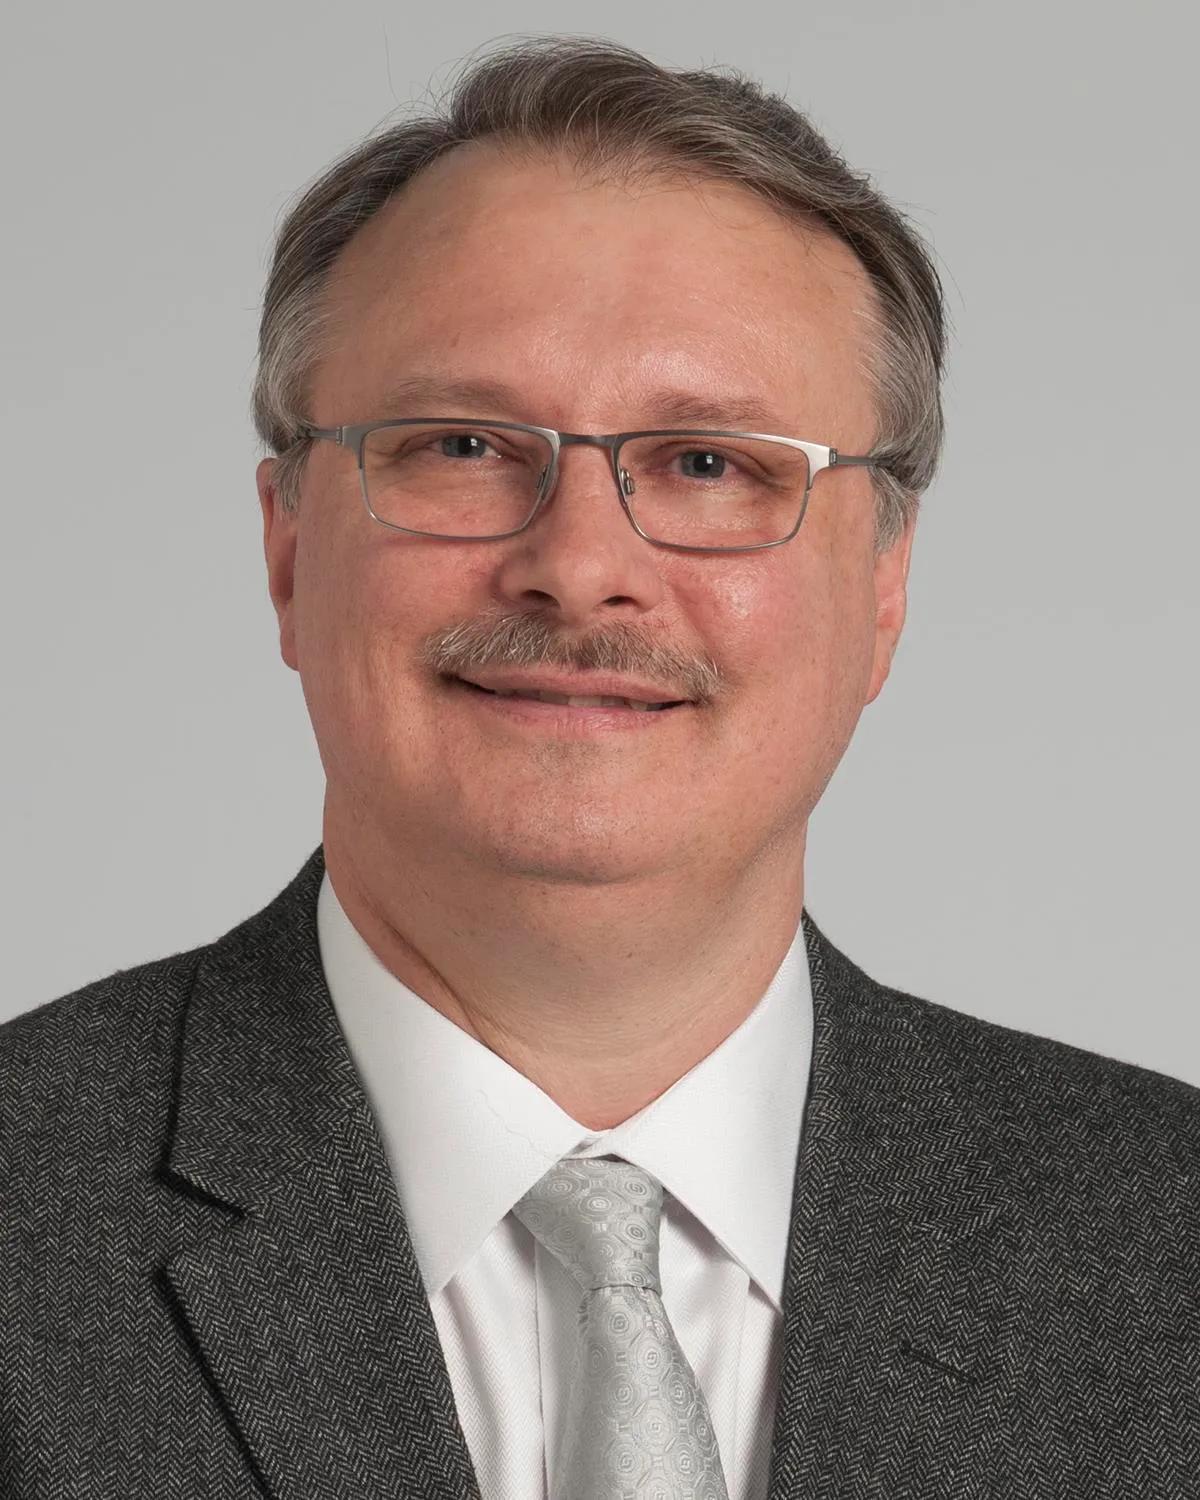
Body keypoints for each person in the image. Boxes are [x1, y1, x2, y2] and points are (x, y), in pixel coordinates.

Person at [3, 34, 1197, 1500]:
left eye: (710, 463)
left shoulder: (1166, 1251)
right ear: (288, 549)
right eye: (461, 445)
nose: (579, 567)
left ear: (884, 588)